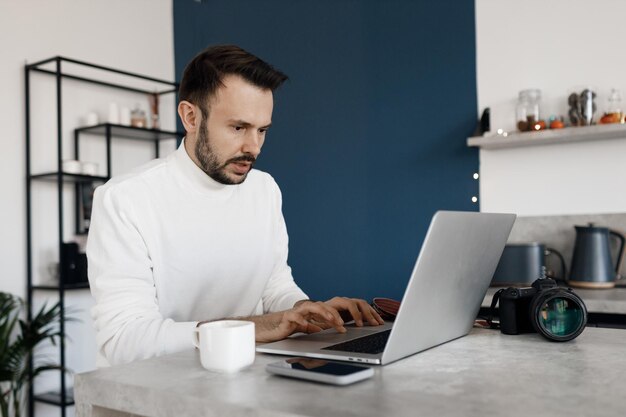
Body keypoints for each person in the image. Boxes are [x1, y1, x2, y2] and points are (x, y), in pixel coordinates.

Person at [87, 45, 383, 367]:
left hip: (246, 381)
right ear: (190, 117)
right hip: (156, 393)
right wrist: (257, 327)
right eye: (238, 128)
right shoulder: (124, 199)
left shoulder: (264, 189)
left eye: (262, 131)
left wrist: (304, 310)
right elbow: (125, 340)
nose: (252, 148)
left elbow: (273, 284)